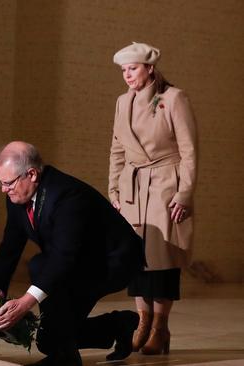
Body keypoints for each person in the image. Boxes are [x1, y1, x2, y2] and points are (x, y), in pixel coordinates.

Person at [0, 142, 145, 366]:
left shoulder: (66, 195)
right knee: (50, 336)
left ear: (31, 174)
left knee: (43, 279)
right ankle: (117, 325)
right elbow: (9, 249)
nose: (3, 189)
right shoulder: (16, 195)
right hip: (78, 261)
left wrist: (25, 303)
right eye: (0, 183)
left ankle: (66, 358)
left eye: (8, 183)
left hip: (113, 261)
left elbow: (63, 257)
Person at [109, 42, 198, 355]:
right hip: (132, 188)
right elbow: (117, 149)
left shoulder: (173, 98)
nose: (127, 75)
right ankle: (142, 322)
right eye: (123, 70)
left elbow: (188, 150)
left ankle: (160, 327)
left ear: (149, 68)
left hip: (165, 185)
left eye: (132, 68)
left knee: (162, 260)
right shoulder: (123, 102)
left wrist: (185, 192)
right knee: (135, 258)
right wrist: (114, 190)